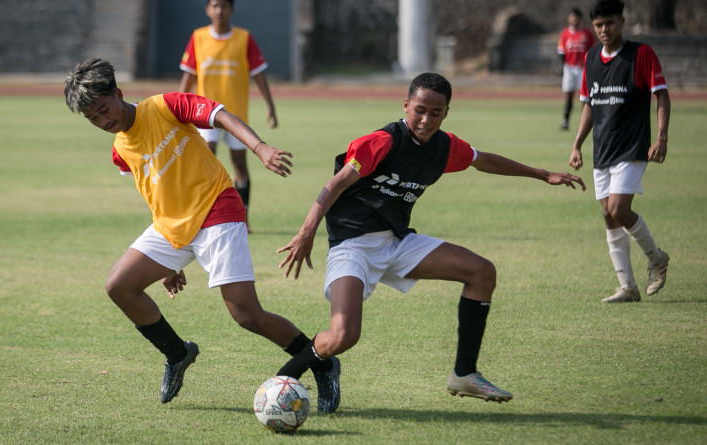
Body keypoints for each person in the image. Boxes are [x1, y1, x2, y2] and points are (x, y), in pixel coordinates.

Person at [274, 73, 586, 410]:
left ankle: (465, 374)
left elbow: (485, 161)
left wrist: (543, 174)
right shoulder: (381, 141)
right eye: (419, 110)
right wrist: (306, 232)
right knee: (342, 337)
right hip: (353, 245)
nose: (425, 120)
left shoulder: (445, 147)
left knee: (481, 272)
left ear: (446, 112)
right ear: (406, 105)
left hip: (397, 243)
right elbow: (334, 185)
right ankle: (280, 383)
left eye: (435, 113)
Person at [63, 58, 339, 408]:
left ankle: (322, 361)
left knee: (247, 315)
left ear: (118, 93)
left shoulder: (164, 106)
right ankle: (177, 354)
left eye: (104, 110)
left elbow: (221, 116)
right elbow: (155, 191)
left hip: (217, 211)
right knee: (119, 286)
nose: (103, 121)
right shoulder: (120, 151)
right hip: (171, 226)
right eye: (93, 119)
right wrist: (169, 262)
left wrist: (260, 148)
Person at [569, 0, 671, 303]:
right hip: (603, 150)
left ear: (622, 21)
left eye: (610, 23)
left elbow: (661, 96)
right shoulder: (590, 59)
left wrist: (662, 137)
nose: (604, 30)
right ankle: (627, 286)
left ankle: (657, 259)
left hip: (632, 147)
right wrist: (577, 144)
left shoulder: (641, 54)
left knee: (618, 209)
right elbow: (589, 104)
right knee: (607, 214)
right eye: (598, 25)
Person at [178, 0, 278, 232]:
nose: (219, 11)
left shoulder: (244, 38)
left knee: (239, 162)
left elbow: (258, 75)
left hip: (235, 114)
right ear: (207, 10)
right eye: (214, 6)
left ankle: (243, 216)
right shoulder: (198, 37)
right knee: (206, 160)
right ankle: (206, 214)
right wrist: (176, 109)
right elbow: (188, 78)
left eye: (223, 6)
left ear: (231, 9)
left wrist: (270, 105)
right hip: (204, 113)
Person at [556, 7, 596, 131]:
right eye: (573, 16)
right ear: (569, 18)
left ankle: (586, 123)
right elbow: (561, 51)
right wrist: (560, 65)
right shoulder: (565, 33)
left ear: (580, 19)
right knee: (568, 96)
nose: (575, 19)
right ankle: (566, 122)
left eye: (577, 17)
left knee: (584, 97)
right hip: (569, 68)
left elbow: (593, 51)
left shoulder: (587, 33)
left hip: (582, 69)